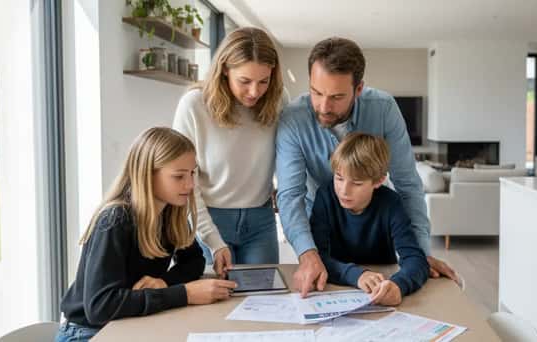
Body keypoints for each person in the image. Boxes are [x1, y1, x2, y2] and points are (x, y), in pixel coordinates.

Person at [276, 37, 457, 297]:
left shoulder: (384, 109)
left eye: (337, 96)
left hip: (377, 243)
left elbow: (408, 184)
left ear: (358, 88)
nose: (324, 107)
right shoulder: (293, 118)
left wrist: (420, 253)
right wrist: (308, 254)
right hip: (322, 230)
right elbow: (290, 195)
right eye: (316, 92)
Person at [55, 127, 238, 342]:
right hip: (88, 333)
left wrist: (163, 282)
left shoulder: (169, 213)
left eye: (192, 173)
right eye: (179, 176)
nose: (190, 185)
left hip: (129, 325)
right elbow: (100, 307)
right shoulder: (115, 220)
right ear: (147, 175)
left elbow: (194, 261)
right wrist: (184, 294)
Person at [173, 27, 284, 276]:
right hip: (208, 217)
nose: (255, 92)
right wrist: (213, 241)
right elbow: (185, 182)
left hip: (261, 220)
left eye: (264, 81)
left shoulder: (278, 100)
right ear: (224, 69)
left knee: (264, 295)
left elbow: (286, 157)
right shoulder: (194, 105)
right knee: (214, 296)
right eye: (245, 81)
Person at [311, 133, 429, 306]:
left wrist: (399, 285)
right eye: (339, 178)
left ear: (378, 181)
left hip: (382, 283)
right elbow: (317, 259)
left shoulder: (391, 203)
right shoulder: (325, 196)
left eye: (357, 183)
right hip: (336, 286)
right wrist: (357, 275)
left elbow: (415, 259)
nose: (344, 190)